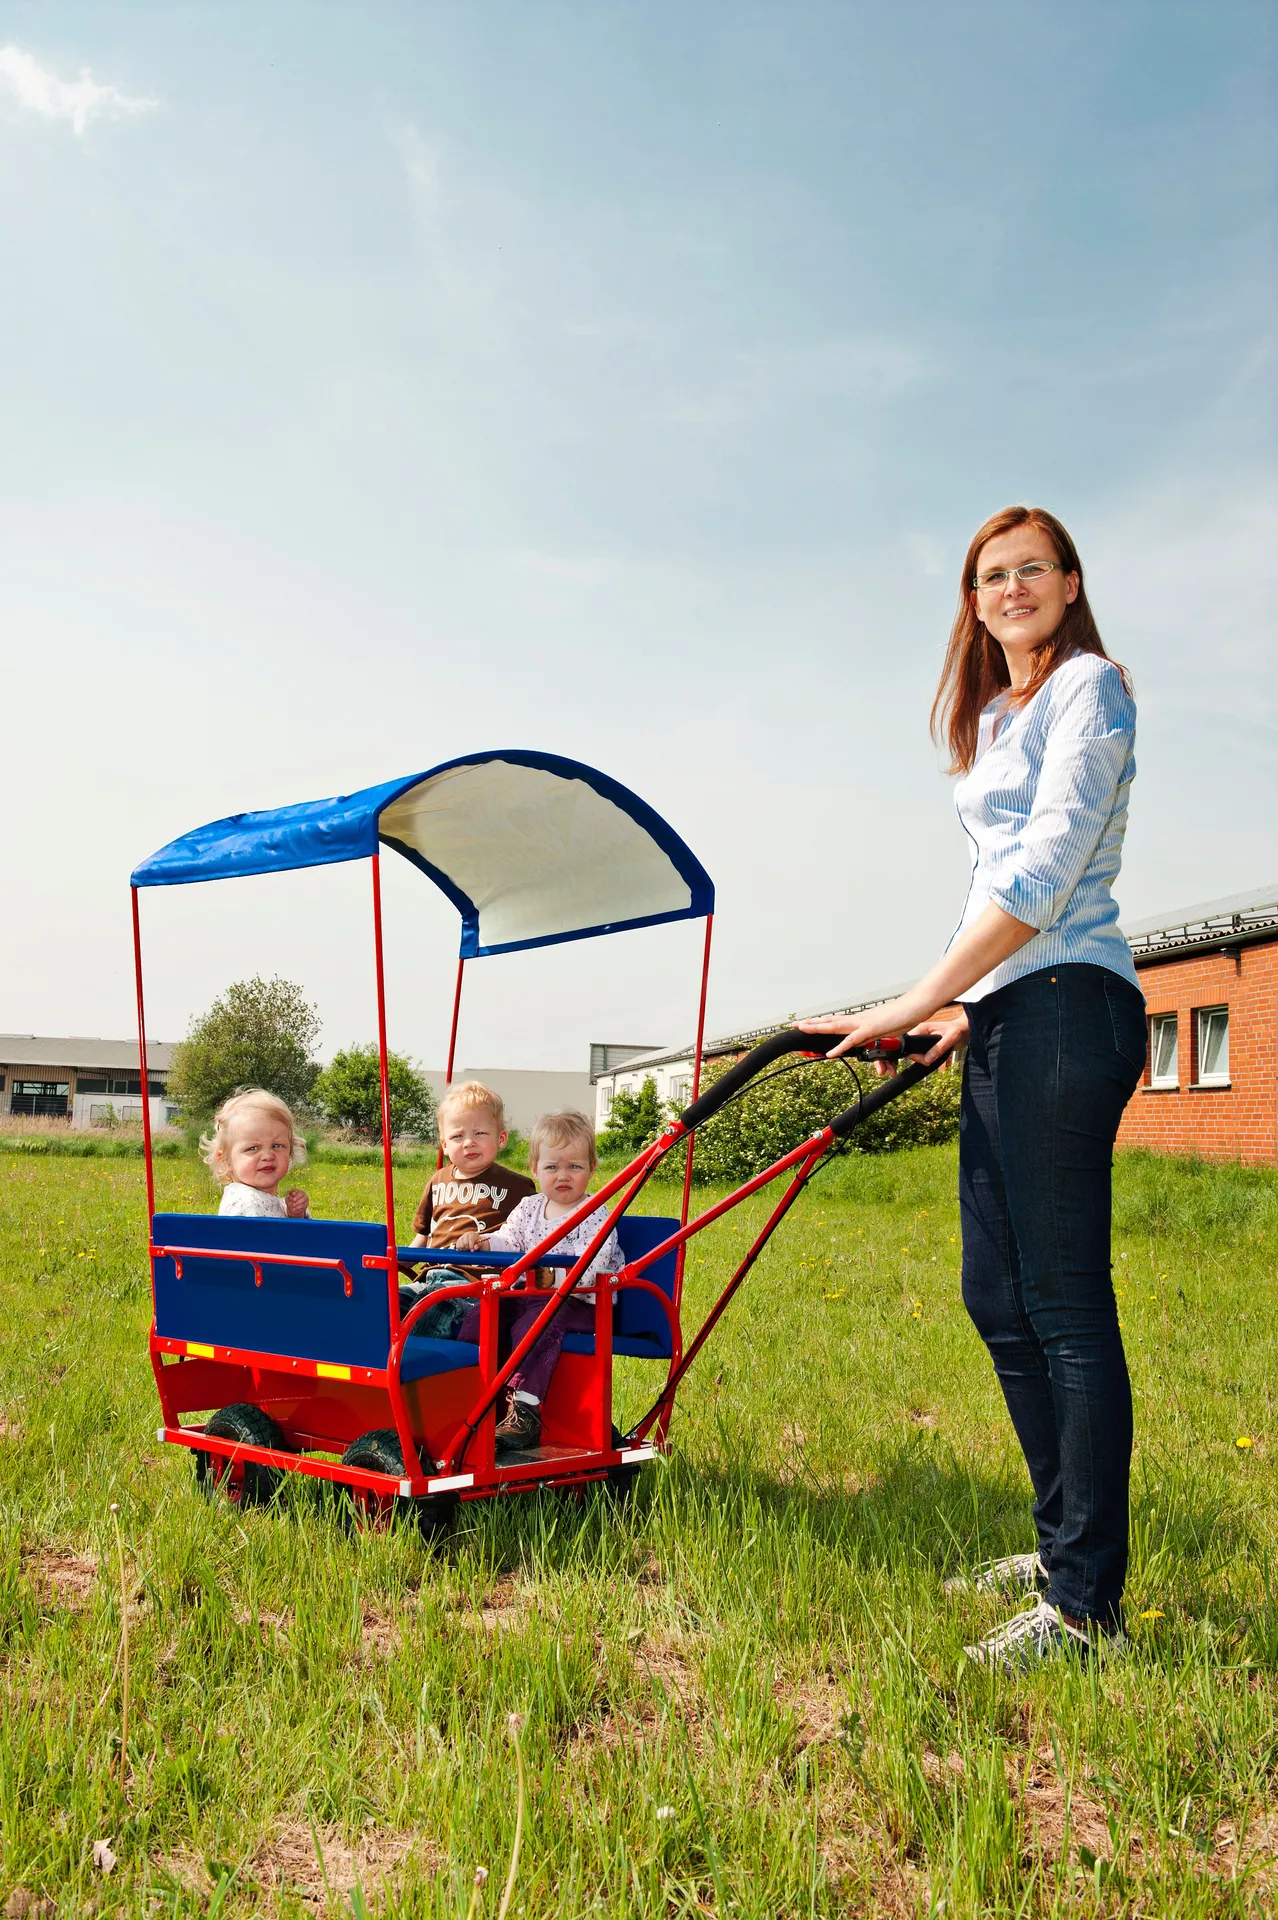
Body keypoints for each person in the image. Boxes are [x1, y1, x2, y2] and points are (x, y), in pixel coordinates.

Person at [801, 504, 1146, 1670]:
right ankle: (1060, 1547)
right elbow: (990, 881)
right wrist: (958, 1007)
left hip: (1070, 1009)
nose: (1012, 589)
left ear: (1070, 581)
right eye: (992, 576)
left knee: (1064, 1305)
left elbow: (1046, 874)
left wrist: (915, 995)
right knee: (996, 1297)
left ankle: (1085, 1609)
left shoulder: (1090, 687)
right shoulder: (1000, 715)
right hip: (1010, 1011)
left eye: (1032, 569)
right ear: (973, 599)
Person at [453, 1110, 623, 1456]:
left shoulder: (596, 1215)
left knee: (538, 1321)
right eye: (552, 1167)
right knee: (485, 1313)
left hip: (583, 1303)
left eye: (574, 1166)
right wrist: (484, 1243)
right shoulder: (529, 1208)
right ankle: (473, 1394)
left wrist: (546, 1274)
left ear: (592, 1168)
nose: (563, 1175)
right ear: (534, 1169)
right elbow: (510, 1242)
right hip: (532, 1296)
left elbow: (592, 1268)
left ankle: (525, 1413)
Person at [400, 1082, 536, 1332]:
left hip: (476, 1284)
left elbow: (529, 1240)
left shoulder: (518, 1187)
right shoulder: (438, 1180)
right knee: (386, 1303)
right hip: (429, 1278)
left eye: (480, 1133)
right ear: (444, 1144)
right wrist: (396, 1260)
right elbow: (423, 1238)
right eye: (458, 1136)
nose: (469, 1143)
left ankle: (414, 1356)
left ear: (501, 1138)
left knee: (434, 1311)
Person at [201, 1088, 311, 1218]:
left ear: (290, 1152)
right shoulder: (245, 1202)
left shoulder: (266, 1200)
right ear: (225, 1161)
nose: (267, 1156)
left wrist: (295, 1215)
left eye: (277, 1146)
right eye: (253, 1148)